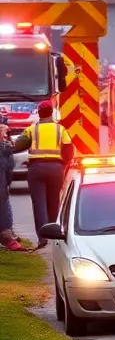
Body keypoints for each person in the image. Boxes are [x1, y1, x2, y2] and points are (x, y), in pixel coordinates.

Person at [10, 101, 75, 248]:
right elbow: (69, 149)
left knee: (39, 203)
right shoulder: (60, 129)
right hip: (55, 168)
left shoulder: (32, 129)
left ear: (39, 113)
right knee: (54, 202)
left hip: (36, 169)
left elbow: (18, 145)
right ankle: (55, 235)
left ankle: (42, 238)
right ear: (51, 112)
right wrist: (63, 165)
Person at [0, 116, 23, 251]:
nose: (6, 134)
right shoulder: (5, 149)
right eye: (4, 131)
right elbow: (8, 169)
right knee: (4, 209)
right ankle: (7, 236)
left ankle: (8, 234)